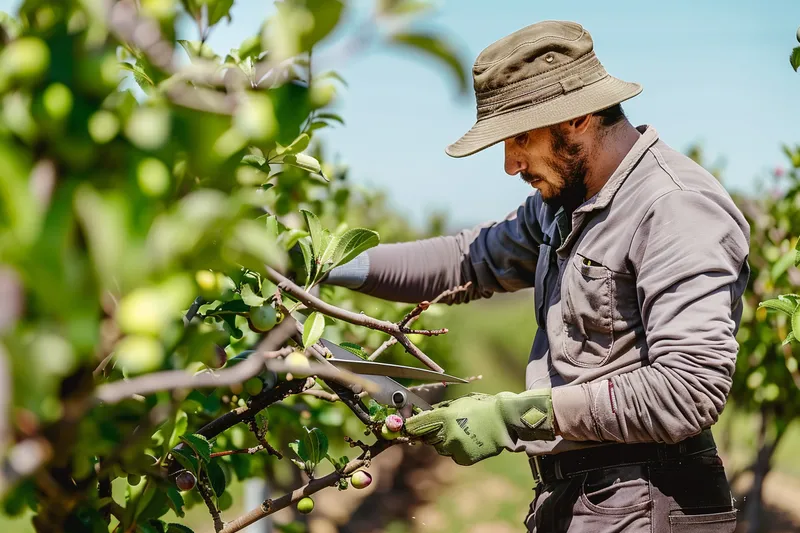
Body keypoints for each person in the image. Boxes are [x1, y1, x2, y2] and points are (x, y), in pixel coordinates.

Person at [324, 20, 751, 533]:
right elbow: (466, 259)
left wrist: (516, 416)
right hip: (585, 496)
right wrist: (329, 266)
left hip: (648, 500)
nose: (510, 164)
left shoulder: (674, 208)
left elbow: (689, 389)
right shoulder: (563, 206)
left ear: (577, 118)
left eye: (520, 137)